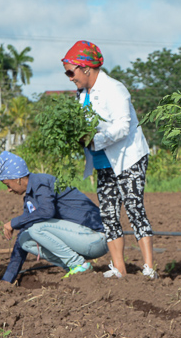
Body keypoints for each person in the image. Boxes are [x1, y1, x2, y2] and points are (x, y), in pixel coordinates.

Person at [62, 40, 156, 279]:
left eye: (71, 71)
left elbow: (123, 127)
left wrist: (95, 140)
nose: (69, 77)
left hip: (128, 158)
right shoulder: (81, 95)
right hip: (103, 161)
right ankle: (119, 269)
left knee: (134, 208)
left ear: (86, 68)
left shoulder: (115, 89)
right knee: (109, 213)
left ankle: (149, 268)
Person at [0, 152, 108, 284]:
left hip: (96, 238)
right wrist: (7, 280)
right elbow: (23, 234)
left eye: (8, 184)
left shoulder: (41, 183)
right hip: (80, 239)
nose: (8, 190)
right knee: (24, 239)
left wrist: (13, 222)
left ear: (17, 179)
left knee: (36, 228)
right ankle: (73, 269)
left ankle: (78, 265)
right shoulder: (30, 198)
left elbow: (47, 211)